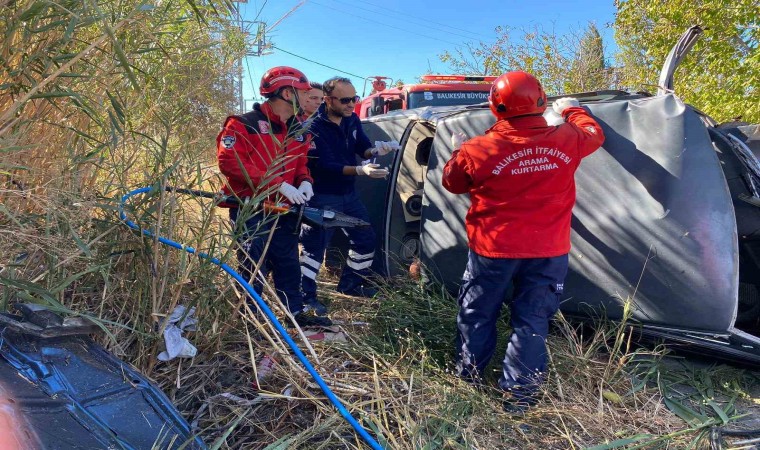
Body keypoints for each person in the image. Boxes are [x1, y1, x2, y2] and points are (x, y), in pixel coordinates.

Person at [442, 71, 605, 412]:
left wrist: (458, 152)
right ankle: (520, 396)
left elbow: (453, 183)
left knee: (477, 313)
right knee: (532, 321)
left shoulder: (478, 148)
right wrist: (573, 110)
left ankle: (468, 378)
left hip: (493, 251)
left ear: (495, 108)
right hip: (548, 251)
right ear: (542, 102)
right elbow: (595, 134)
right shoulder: (567, 137)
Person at [216, 66, 331, 328]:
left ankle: (293, 313)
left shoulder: (298, 129)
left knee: (288, 262)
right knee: (253, 265)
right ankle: (249, 320)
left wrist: (304, 181)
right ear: (287, 92)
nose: (310, 97)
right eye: (304, 92)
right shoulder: (243, 124)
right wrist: (276, 184)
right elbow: (230, 162)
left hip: (284, 210)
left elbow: (300, 163)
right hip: (251, 209)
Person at [299, 76, 398, 314]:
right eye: (345, 100)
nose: (351, 105)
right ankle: (306, 297)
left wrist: (375, 150)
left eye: (354, 99)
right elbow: (322, 166)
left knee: (365, 239)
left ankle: (350, 285)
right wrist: (361, 170)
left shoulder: (351, 119)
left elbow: (361, 147)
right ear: (328, 99)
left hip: (348, 195)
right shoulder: (312, 127)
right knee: (314, 247)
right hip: (322, 195)